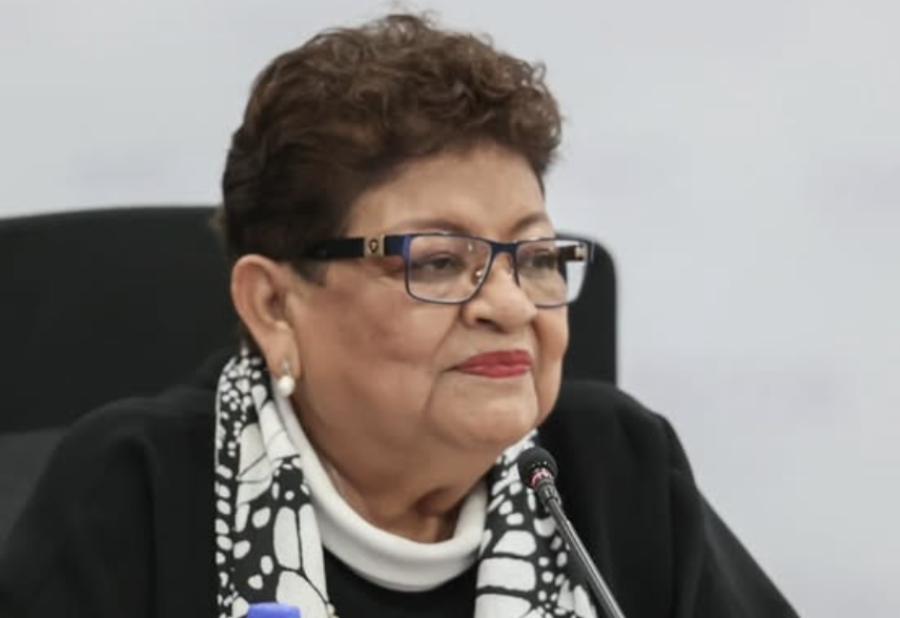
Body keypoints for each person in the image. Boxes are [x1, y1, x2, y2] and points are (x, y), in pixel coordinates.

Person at [0, 12, 798, 618]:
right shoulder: (134, 490)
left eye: (535, 256)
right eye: (439, 261)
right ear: (273, 305)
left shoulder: (611, 466)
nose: (509, 304)